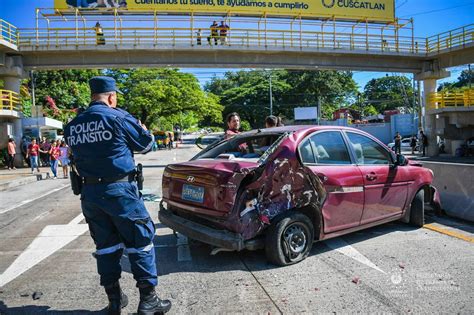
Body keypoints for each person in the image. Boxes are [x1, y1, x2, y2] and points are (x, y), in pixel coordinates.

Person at [64, 76, 171, 314]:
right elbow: (145, 145)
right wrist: (144, 130)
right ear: (112, 96)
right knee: (140, 241)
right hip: (120, 191)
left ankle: (114, 300)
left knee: (105, 246)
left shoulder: (72, 125)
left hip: (90, 193)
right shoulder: (119, 117)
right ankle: (149, 300)